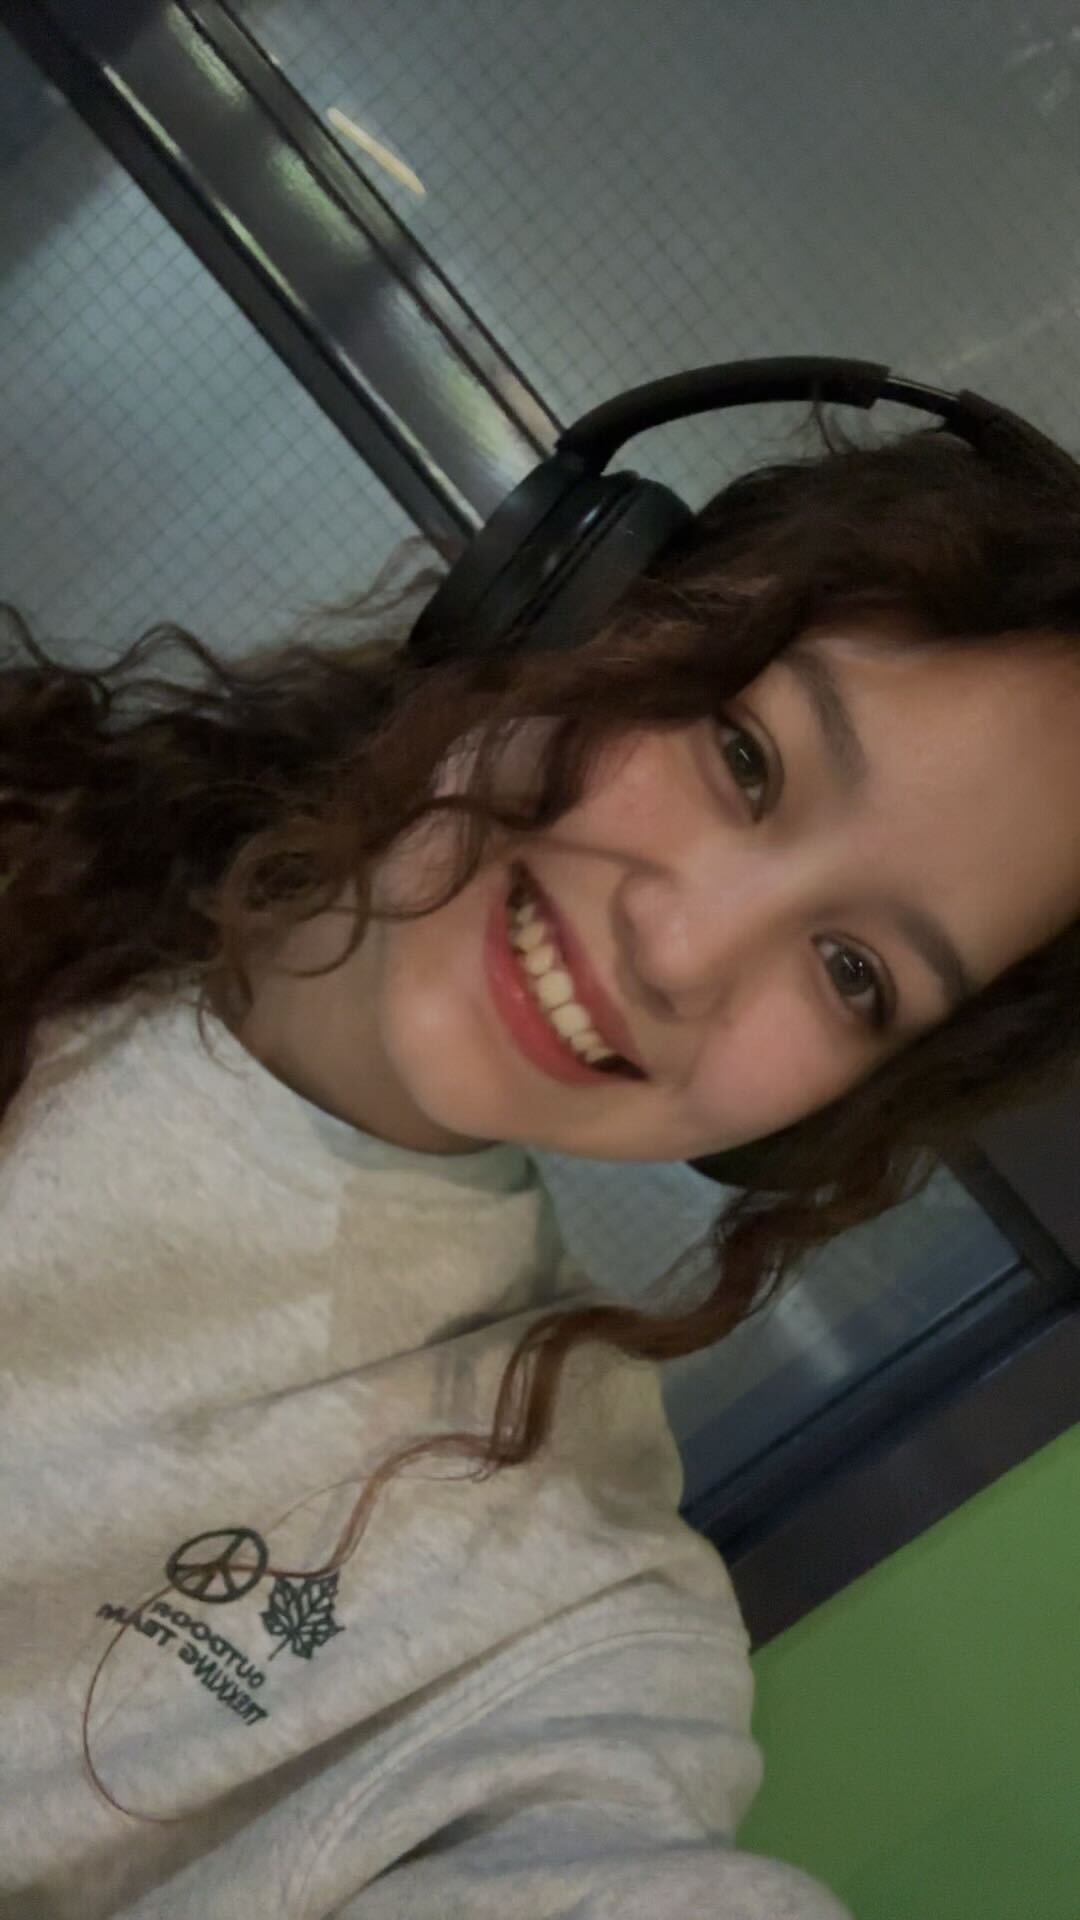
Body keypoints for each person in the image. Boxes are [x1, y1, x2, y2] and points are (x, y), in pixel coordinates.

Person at [2, 414, 1079, 1920]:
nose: (683, 950)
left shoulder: (565, 1590)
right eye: (745, 756)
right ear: (582, 602)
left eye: (853, 973)